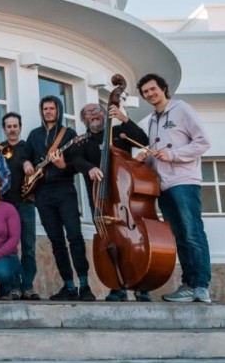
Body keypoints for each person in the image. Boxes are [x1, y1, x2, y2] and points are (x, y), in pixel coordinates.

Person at [136, 73, 212, 304]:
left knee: (193, 234)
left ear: (163, 88)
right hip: (164, 186)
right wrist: (145, 157)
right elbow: (158, 153)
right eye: (145, 92)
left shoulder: (182, 109)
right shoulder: (152, 119)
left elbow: (203, 142)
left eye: (153, 89)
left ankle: (201, 286)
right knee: (180, 237)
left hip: (184, 182)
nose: (150, 94)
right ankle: (188, 285)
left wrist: (173, 155)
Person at [74, 102, 152, 302]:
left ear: (105, 114)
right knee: (111, 243)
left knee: (133, 242)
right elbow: (75, 160)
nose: (93, 114)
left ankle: (141, 285)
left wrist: (124, 118)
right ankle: (117, 286)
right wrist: (90, 168)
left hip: (125, 199)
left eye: (97, 110)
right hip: (100, 200)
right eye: (88, 112)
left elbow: (143, 140)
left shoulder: (118, 132)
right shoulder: (83, 141)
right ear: (83, 119)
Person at [22, 96, 95, 301]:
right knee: (56, 241)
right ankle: (69, 286)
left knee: (75, 237)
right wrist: (26, 163)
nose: (48, 111)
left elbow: (76, 163)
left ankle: (85, 285)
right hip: (42, 194)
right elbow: (25, 155)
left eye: (52, 108)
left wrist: (64, 166)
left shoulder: (70, 134)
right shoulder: (34, 135)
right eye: (45, 108)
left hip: (64, 191)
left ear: (58, 110)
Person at [0, 112, 40, 300]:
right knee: (10, 248)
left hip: (25, 204)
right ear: (4, 129)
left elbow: (39, 173)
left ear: (20, 128)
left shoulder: (29, 148)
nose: (12, 129)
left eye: (15, 126)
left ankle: (28, 286)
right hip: (6, 205)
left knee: (29, 247)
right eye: (9, 126)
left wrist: (30, 165)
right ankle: (14, 287)